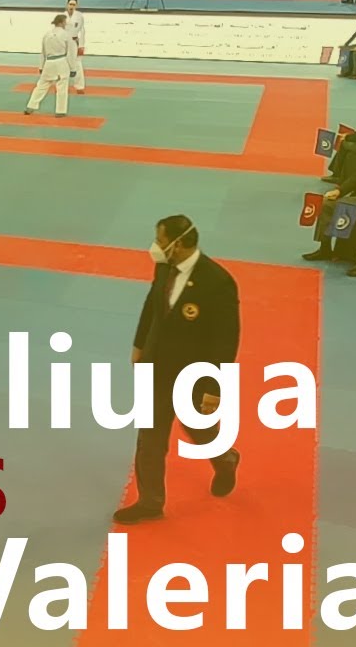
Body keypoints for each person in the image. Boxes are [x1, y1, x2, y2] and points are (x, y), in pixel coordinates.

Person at [114, 215, 241, 525]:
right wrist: (139, 344)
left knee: (197, 428)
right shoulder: (164, 268)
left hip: (193, 373)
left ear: (179, 244)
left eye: (161, 240)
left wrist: (214, 388)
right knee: (150, 439)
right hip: (157, 366)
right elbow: (152, 305)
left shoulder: (218, 282)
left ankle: (225, 458)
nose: (156, 246)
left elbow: (226, 340)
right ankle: (150, 502)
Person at [25, 13, 73, 117]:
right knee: (62, 87)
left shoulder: (47, 34)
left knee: (41, 86)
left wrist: (41, 66)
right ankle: (60, 111)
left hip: (48, 63)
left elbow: (43, 52)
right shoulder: (65, 35)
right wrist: (72, 68)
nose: (66, 24)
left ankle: (31, 106)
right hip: (61, 62)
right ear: (61, 22)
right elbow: (70, 52)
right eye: (65, 22)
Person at [65, 0, 86, 94]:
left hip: (74, 42)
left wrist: (81, 45)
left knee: (77, 63)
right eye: (70, 4)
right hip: (64, 43)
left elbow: (82, 31)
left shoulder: (79, 16)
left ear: (76, 6)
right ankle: (62, 86)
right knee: (63, 64)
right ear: (67, 5)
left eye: (73, 4)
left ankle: (79, 86)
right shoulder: (62, 16)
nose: (71, 6)